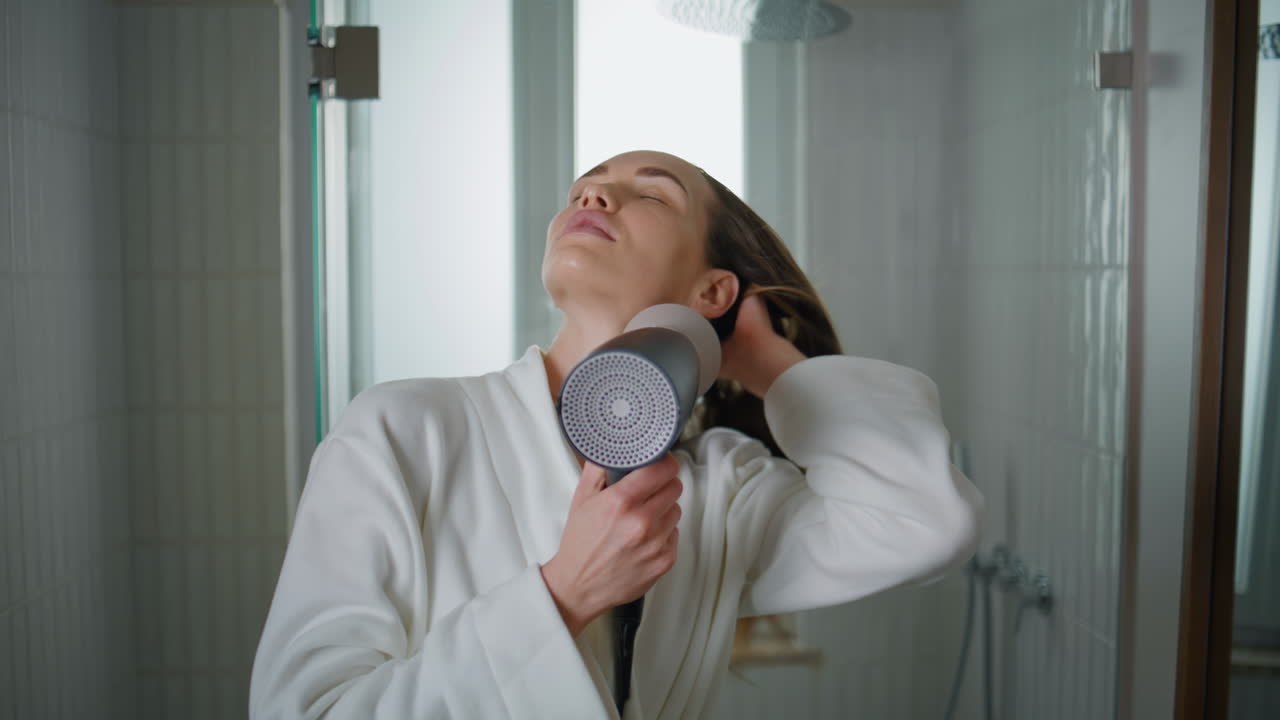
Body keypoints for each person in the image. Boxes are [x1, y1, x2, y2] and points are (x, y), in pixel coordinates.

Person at [249, 150, 983, 719]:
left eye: (653, 193)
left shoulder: (724, 492)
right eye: (585, 187)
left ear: (714, 292)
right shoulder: (405, 430)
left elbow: (924, 519)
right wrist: (561, 597)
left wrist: (763, 359)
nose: (593, 195)